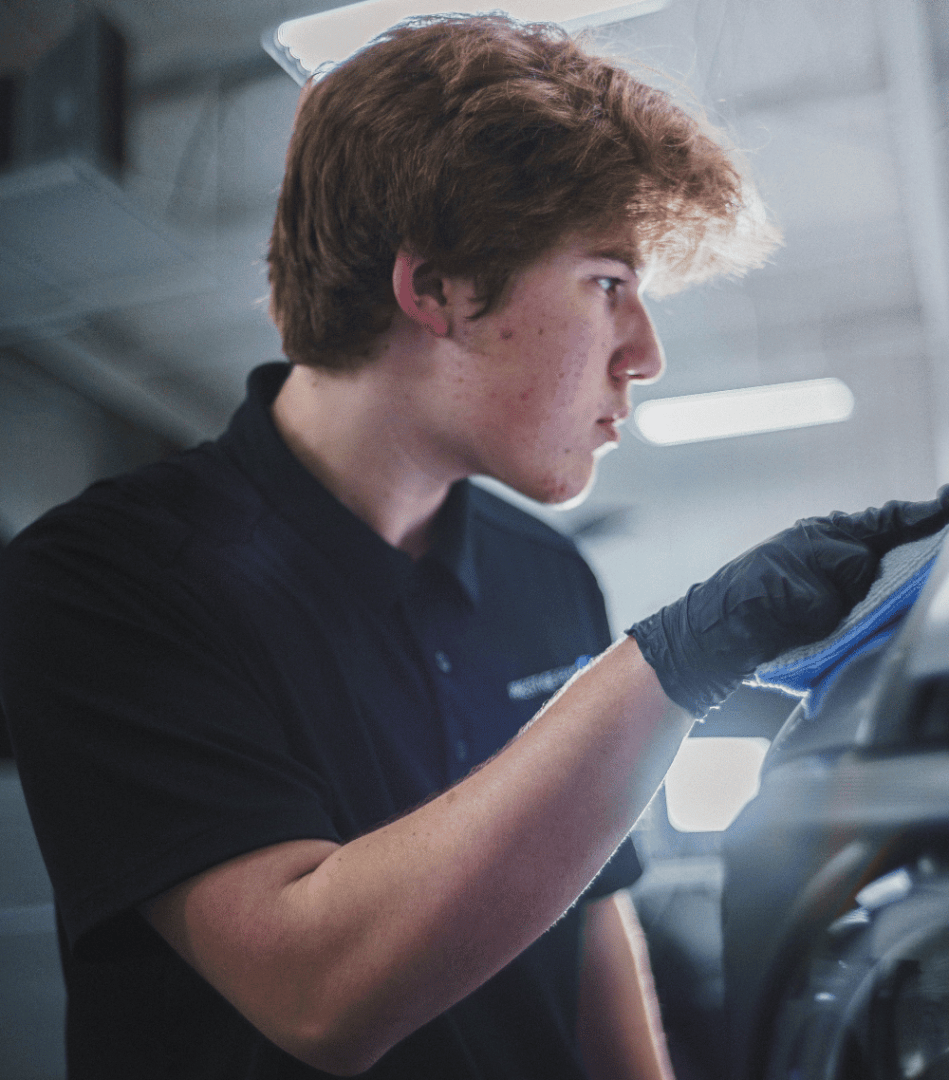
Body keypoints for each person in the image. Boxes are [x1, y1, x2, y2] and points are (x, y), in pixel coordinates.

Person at [1, 14, 947, 1080]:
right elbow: (315, 992)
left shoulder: (545, 573)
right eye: (606, 283)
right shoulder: (104, 578)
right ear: (438, 288)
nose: (645, 352)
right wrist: (679, 661)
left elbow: (593, 920)